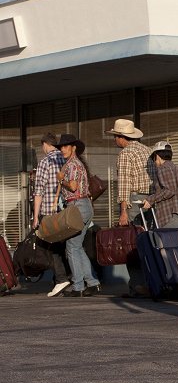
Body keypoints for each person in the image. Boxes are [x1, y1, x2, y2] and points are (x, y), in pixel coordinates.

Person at [106, 118, 154, 297]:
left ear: (121, 137)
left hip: (135, 200)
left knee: (131, 244)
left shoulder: (126, 154)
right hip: (151, 201)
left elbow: (124, 185)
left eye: (115, 137)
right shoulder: (147, 150)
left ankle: (137, 286)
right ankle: (150, 282)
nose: (115, 141)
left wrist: (123, 212)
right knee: (148, 243)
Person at [55, 134, 101, 297]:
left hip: (77, 206)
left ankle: (78, 285)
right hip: (83, 206)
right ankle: (93, 283)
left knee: (72, 247)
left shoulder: (73, 164)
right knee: (77, 246)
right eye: (61, 147)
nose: (62, 149)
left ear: (74, 147)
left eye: (66, 146)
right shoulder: (76, 163)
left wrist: (61, 180)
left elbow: (73, 186)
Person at [32, 133, 69, 297]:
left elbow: (38, 192)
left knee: (51, 246)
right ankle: (66, 278)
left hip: (49, 211)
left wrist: (35, 217)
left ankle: (61, 279)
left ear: (46, 144)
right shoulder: (67, 159)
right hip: (68, 211)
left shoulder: (45, 162)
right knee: (67, 246)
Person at [142, 141, 178, 234]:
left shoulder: (163, 168)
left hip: (170, 216)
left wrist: (151, 199)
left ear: (156, 155)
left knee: (165, 246)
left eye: (153, 159)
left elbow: (170, 190)